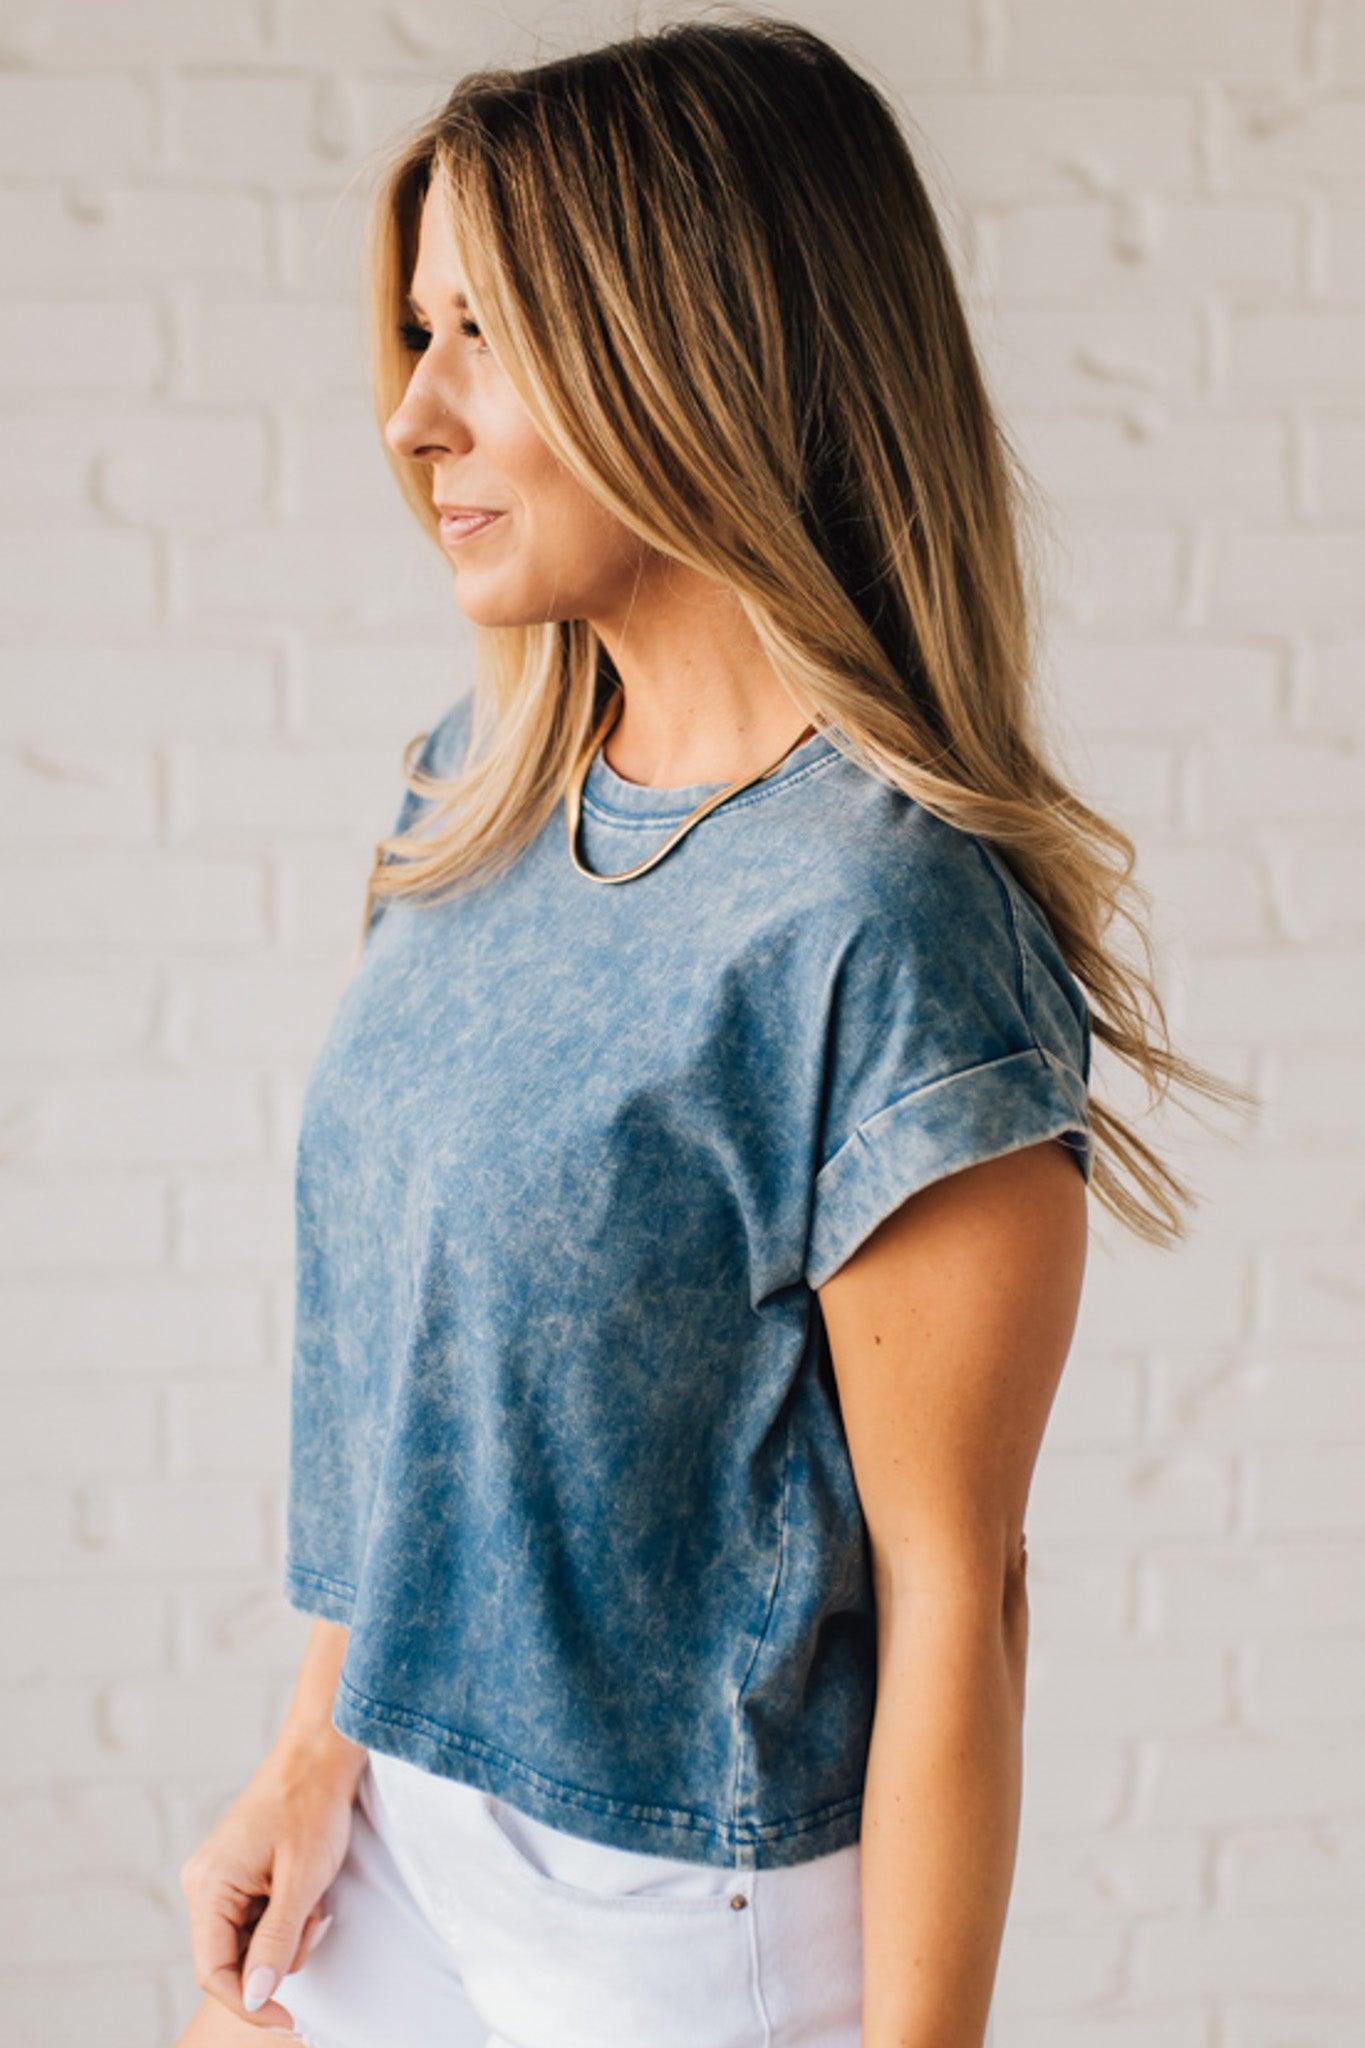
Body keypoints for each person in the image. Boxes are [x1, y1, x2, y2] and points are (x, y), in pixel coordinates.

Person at [173, 16, 1251, 2048]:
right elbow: (399, 1367)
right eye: (416, 334)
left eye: (484, 335)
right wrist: (307, 1748)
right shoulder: (467, 798)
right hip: (398, 1823)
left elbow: (958, 1598)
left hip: (679, 1912)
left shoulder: (879, 918)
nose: (411, 418)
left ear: (695, 358)